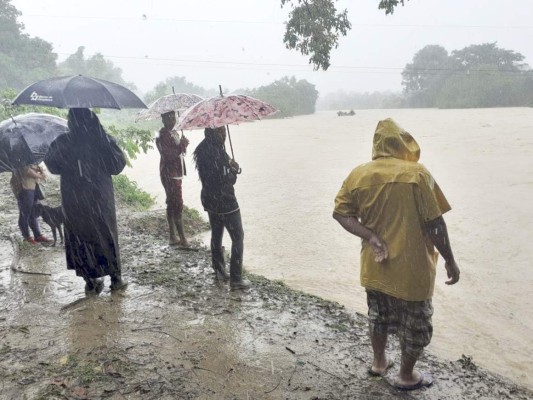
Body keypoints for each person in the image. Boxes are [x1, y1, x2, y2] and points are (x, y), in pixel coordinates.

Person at [332, 118, 460, 391]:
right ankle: (406, 376)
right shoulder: (418, 174)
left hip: (375, 265)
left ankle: (379, 363)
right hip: (412, 270)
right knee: (416, 325)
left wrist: (370, 236)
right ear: (403, 143)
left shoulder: (358, 175)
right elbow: (435, 223)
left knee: (378, 316)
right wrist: (450, 259)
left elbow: (341, 214)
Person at [44, 108, 127, 294]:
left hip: (75, 200)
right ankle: (115, 278)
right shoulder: (103, 140)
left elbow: (52, 165)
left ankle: (91, 280)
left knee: (80, 237)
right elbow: (117, 166)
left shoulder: (63, 141)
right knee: (105, 234)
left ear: (71, 121)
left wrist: (72, 158)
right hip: (100, 200)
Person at [193, 126, 250, 290]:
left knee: (216, 234)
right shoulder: (217, 153)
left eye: (224, 131)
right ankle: (236, 279)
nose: (224, 134)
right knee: (238, 237)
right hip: (225, 201)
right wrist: (233, 170)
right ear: (212, 133)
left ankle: (219, 271)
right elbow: (226, 179)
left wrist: (230, 167)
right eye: (220, 131)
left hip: (210, 200)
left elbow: (211, 177)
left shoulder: (202, 150)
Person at [156, 110, 190, 247]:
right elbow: (167, 155)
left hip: (177, 172)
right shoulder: (161, 135)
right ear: (163, 119)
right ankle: (181, 238)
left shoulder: (174, 133)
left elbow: (180, 153)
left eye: (173, 117)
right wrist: (182, 146)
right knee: (177, 203)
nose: (172, 120)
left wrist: (183, 144)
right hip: (169, 174)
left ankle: (173, 237)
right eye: (169, 118)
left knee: (172, 203)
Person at [10, 164, 52, 245]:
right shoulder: (19, 155)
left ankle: (38, 235)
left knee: (33, 211)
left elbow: (32, 168)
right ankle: (27, 237)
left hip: (33, 185)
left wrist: (39, 169)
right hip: (24, 187)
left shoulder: (30, 155)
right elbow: (26, 170)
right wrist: (40, 176)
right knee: (25, 213)